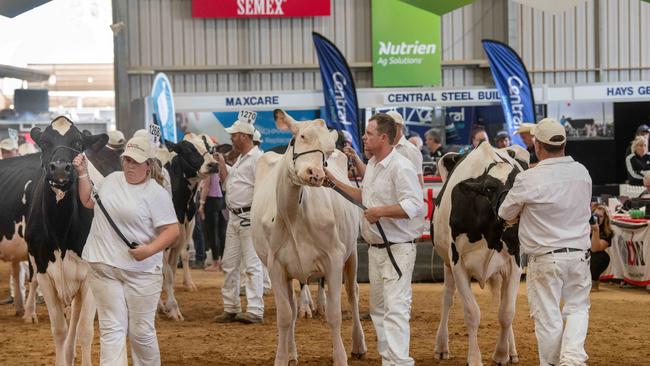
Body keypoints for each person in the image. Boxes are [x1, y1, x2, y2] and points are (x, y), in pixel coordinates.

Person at [324, 112, 423, 366]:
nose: (364, 138)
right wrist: (333, 183)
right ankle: (388, 359)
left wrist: (381, 211)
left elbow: (414, 205)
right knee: (379, 310)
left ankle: (399, 362)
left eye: (368, 134)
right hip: (377, 249)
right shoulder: (375, 167)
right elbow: (363, 196)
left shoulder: (401, 166)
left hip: (397, 249)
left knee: (396, 308)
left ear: (383, 137)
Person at [74, 136, 180, 365]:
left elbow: (172, 230)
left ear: (148, 165)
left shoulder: (156, 193)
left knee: (141, 331)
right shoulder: (111, 180)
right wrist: (83, 173)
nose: (130, 166)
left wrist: (150, 249)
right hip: (103, 265)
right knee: (111, 328)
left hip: (140, 271)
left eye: (136, 162)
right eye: (127, 160)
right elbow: (87, 201)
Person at [499, 117, 592, 366]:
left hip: (545, 258)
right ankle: (572, 360)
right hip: (579, 255)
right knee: (578, 308)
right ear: (563, 143)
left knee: (548, 316)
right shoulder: (582, 172)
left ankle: (553, 363)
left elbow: (505, 213)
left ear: (538, 146)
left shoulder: (529, 178)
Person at [213, 112, 265, 324]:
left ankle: (255, 309)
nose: (232, 138)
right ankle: (231, 306)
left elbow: (262, 189)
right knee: (230, 263)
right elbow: (228, 184)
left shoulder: (258, 160)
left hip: (249, 217)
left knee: (252, 265)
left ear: (244, 136)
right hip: (235, 218)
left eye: (234, 135)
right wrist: (223, 165)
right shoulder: (244, 159)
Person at [198, 170, 227, 272]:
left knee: (212, 233)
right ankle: (223, 262)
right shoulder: (222, 168)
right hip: (222, 200)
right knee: (222, 233)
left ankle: (215, 263)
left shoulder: (209, 169)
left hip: (211, 201)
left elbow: (206, 186)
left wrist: (201, 204)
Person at [590, 203, 613, 292]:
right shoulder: (583, 227)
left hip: (592, 255)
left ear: (605, 219)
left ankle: (594, 281)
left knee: (601, 257)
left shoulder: (607, 232)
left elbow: (594, 249)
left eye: (601, 216)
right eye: (595, 216)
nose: (597, 219)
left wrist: (595, 230)